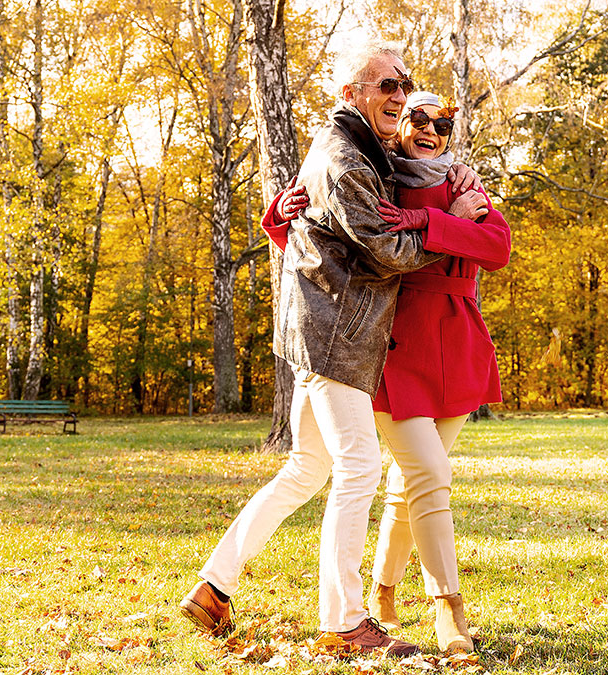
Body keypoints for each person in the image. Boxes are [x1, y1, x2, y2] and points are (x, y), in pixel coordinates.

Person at [179, 44, 480, 657]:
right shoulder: (345, 158)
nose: (400, 95)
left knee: (306, 469)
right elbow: (385, 250)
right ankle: (344, 622)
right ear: (351, 94)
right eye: (385, 85)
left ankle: (214, 586)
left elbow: (321, 223)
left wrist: (453, 187)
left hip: (319, 330)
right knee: (359, 470)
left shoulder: (365, 150)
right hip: (337, 334)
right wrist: (452, 220)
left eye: (406, 83)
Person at [267, 90, 511, 654]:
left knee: (410, 483)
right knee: (427, 472)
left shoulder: (462, 183)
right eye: (416, 119)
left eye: (441, 123)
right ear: (397, 125)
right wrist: (277, 216)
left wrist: (429, 218)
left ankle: (381, 591)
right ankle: (448, 606)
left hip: (457, 344)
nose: (429, 130)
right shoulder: (377, 179)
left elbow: (496, 247)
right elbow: (330, 241)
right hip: (392, 345)